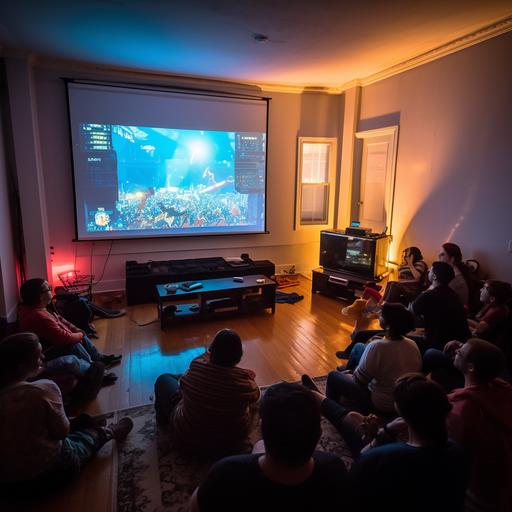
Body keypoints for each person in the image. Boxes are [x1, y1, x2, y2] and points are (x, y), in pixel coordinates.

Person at [188, 382, 349, 512]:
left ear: (260, 429)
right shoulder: (335, 469)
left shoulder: (226, 473)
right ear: (319, 434)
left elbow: (193, 507)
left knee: (258, 447)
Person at [0, 332, 133, 489]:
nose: (43, 358)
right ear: (21, 366)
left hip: (7, 485)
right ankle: (109, 431)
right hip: (51, 472)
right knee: (82, 439)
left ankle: (87, 422)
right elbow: (63, 432)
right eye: (38, 356)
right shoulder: (44, 389)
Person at [349, 374, 466, 512]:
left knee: (349, 424)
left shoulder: (384, 458)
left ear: (399, 409)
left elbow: (360, 463)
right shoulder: (458, 452)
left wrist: (385, 433)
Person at [154, 329, 260, 456]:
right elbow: (257, 395)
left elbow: (182, 387)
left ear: (211, 351)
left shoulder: (196, 368)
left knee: (164, 379)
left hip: (188, 441)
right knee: (254, 406)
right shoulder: (245, 383)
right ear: (239, 356)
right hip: (230, 444)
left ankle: (162, 422)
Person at [312, 303, 422, 416]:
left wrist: (350, 374)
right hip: (402, 401)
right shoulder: (412, 344)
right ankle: (348, 377)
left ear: (388, 326)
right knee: (359, 346)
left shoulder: (377, 346)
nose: (379, 316)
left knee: (333, 376)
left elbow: (360, 381)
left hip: (381, 404)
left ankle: (331, 410)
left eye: (382, 315)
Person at [447, 339, 512, 512]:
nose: (457, 350)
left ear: (471, 368)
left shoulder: (460, 410)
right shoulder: (504, 391)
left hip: (479, 495)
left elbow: (448, 455)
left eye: (460, 351)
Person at [18, 279, 121, 378]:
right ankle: (95, 371)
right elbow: (63, 338)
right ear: (40, 296)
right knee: (73, 343)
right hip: (45, 353)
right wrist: (79, 335)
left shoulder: (41, 308)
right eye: (49, 288)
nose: (51, 289)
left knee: (79, 335)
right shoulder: (37, 316)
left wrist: (77, 331)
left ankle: (99, 359)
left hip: (53, 343)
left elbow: (61, 320)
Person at [410, 261, 471, 352]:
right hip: (457, 343)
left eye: (431, 270)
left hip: (437, 344)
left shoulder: (429, 295)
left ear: (434, 276)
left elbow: (412, 310)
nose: (428, 271)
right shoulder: (453, 295)